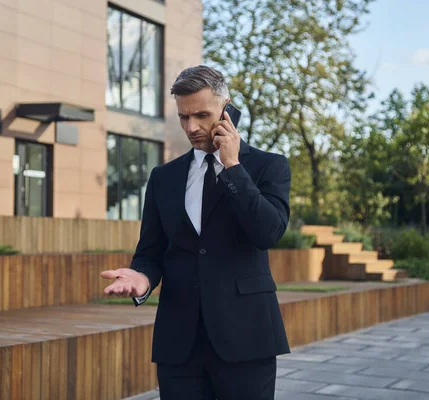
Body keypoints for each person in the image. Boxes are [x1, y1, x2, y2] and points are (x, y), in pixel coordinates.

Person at [101, 65, 291, 400]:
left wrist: (232, 166)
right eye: (183, 117)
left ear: (226, 109)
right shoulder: (164, 178)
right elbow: (151, 252)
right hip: (179, 342)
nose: (191, 127)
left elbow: (268, 232)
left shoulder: (267, 167)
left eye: (202, 115)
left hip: (246, 337)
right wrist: (142, 280)